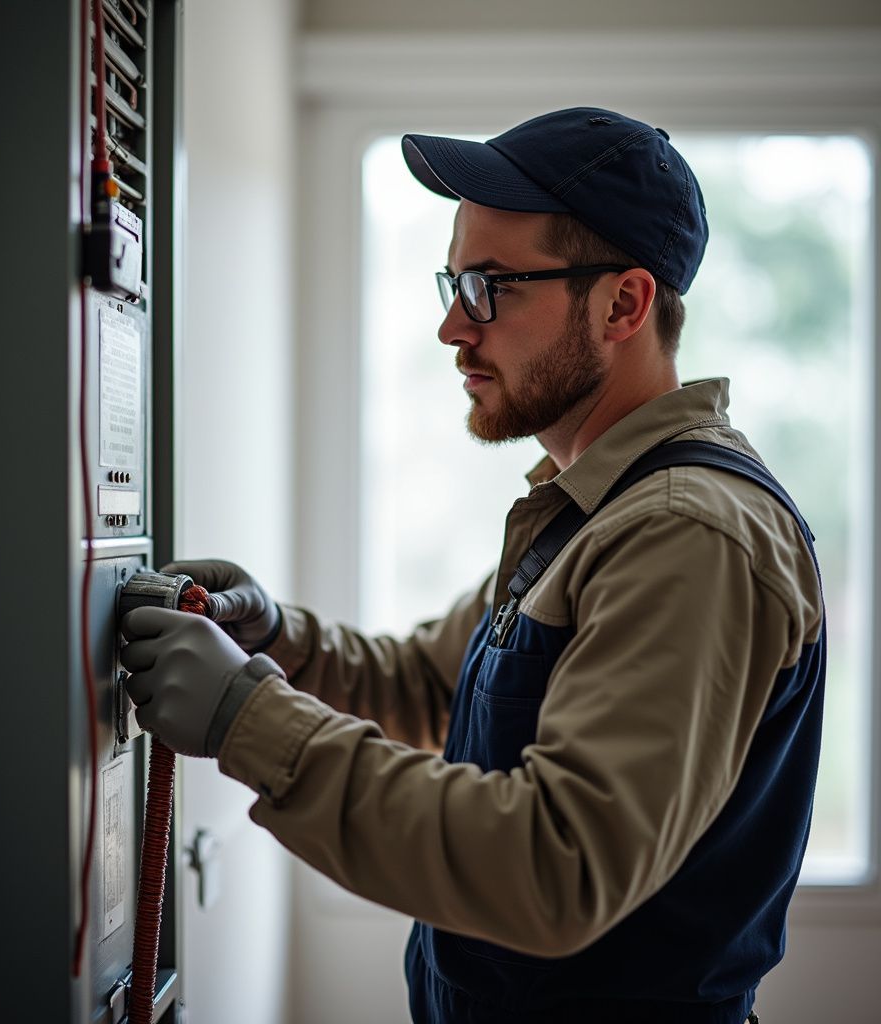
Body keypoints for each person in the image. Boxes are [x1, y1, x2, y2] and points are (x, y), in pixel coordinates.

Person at [120, 107, 825, 1024]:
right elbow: (430, 686)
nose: (455, 327)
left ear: (624, 304)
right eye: (454, 283)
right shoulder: (586, 511)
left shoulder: (685, 535)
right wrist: (277, 640)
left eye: (492, 288)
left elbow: (555, 866)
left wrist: (247, 719)